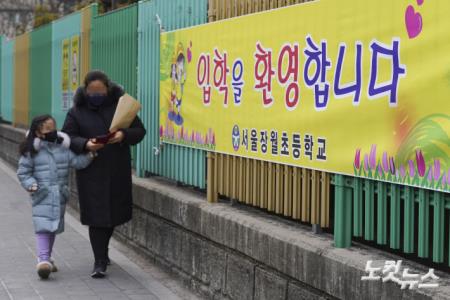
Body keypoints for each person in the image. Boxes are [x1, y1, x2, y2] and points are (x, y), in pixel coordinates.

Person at [62, 70, 146, 278]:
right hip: (91, 170)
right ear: (85, 90)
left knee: (113, 215)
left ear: (107, 89)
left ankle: (104, 251)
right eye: (92, 91)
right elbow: (68, 136)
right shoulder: (76, 111)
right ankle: (99, 261)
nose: (96, 95)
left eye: (100, 91)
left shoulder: (121, 106)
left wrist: (123, 134)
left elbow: (140, 131)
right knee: (96, 217)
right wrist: (86, 144)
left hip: (116, 169)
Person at [17, 114, 95, 279]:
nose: (52, 132)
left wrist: (90, 155)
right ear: (38, 133)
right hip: (42, 194)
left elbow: (76, 162)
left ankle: (48, 259)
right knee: (43, 226)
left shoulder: (62, 149)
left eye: (54, 128)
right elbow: (23, 172)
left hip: (59, 195)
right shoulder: (32, 151)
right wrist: (31, 184)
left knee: (52, 228)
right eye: (48, 129)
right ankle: (43, 259)